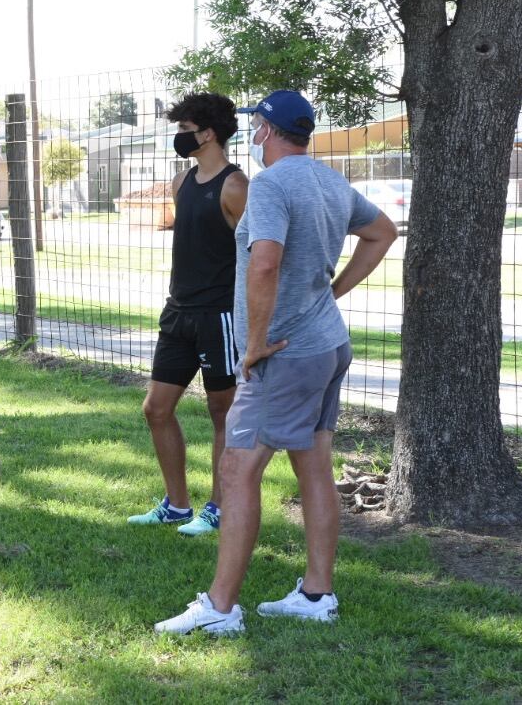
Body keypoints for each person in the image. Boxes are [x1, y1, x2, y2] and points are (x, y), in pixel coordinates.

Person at [155, 89, 397, 635]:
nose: (255, 137)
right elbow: (382, 232)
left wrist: (257, 342)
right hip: (327, 346)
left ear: (265, 130)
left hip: (285, 353)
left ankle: (219, 609)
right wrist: (331, 294)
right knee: (313, 465)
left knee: (238, 469)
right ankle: (316, 594)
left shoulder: (269, 187)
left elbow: (264, 265)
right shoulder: (329, 179)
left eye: (256, 128)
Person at [129, 93, 247, 537]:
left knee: (224, 414)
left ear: (208, 133)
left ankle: (218, 507)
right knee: (156, 409)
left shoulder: (237, 187)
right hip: (178, 312)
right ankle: (177, 505)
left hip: (219, 317)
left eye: (184, 130)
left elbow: (256, 254)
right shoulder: (182, 182)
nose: (178, 138)